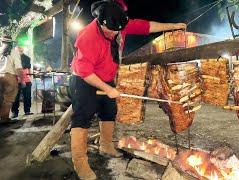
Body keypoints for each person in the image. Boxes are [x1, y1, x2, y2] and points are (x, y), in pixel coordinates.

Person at [69, 0, 186, 179]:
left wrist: (173, 26)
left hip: (106, 78)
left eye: (119, 30)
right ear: (101, 22)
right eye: (112, 31)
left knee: (109, 112)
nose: (116, 34)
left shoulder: (118, 23)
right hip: (84, 80)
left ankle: (106, 145)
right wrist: (107, 89)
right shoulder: (87, 37)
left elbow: (147, 26)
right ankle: (80, 162)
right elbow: (85, 72)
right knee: (82, 117)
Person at [0, 36, 24, 123]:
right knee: (8, 99)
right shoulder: (14, 52)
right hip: (9, 77)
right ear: (11, 43)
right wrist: (22, 79)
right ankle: (4, 118)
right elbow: (18, 68)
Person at [11, 46, 33, 118]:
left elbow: (29, 69)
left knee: (27, 96)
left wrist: (30, 78)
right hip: (15, 80)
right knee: (15, 97)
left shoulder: (27, 58)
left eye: (20, 50)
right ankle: (14, 112)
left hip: (26, 80)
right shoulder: (12, 58)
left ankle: (27, 111)